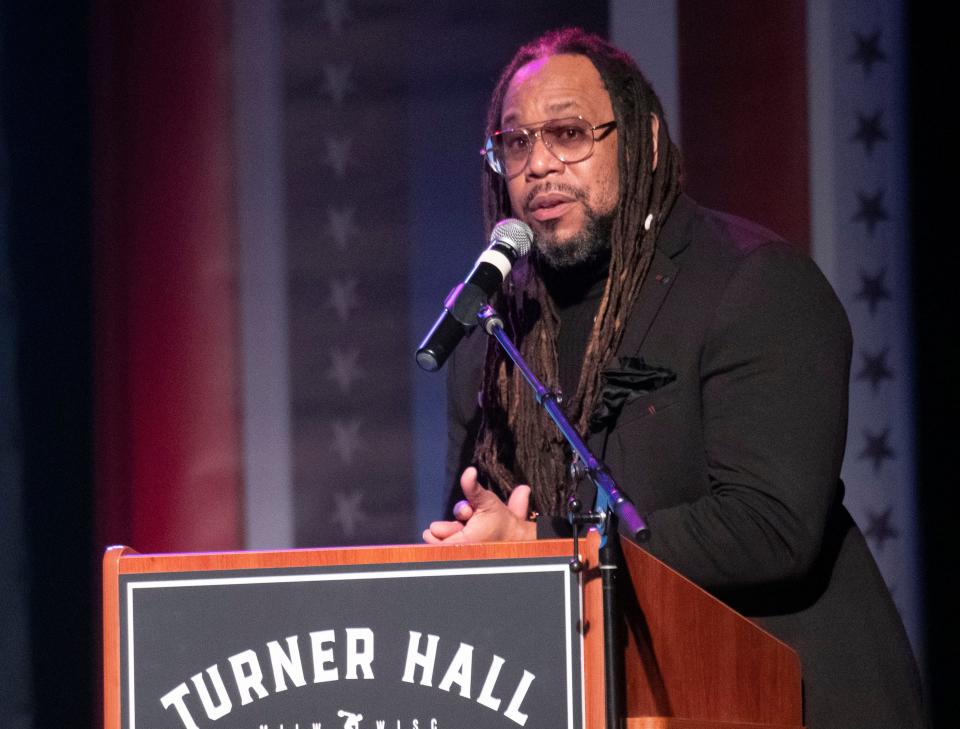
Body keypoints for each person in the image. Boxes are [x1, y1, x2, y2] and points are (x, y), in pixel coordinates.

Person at [422, 28, 926, 729]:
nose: (538, 164)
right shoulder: (492, 329)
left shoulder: (752, 283)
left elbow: (770, 526)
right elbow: (488, 528)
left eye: (568, 133)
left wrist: (547, 546)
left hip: (780, 697)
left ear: (644, 143)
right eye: (515, 142)